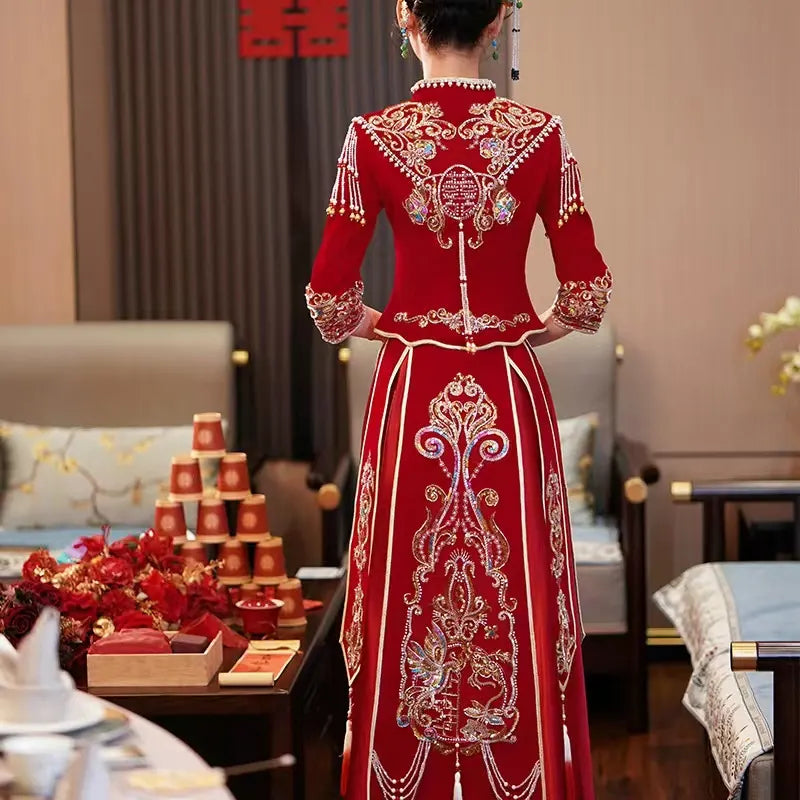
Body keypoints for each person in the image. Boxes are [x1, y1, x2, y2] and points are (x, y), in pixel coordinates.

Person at [306, 1, 612, 797]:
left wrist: (398, 331)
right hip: (509, 395)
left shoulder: (370, 138)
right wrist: (525, 335)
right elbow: (585, 295)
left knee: (407, 586)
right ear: (497, 19)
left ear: (405, 15)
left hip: (415, 394)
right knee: (518, 592)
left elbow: (331, 301)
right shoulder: (542, 135)